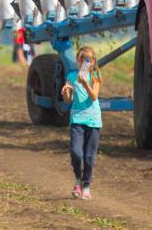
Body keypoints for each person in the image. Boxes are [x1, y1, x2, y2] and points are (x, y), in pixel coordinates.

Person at [60, 45, 102, 200]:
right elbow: (68, 100)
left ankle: (87, 185)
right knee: (76, 152)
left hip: (93, 120)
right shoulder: (72, 76)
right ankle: (78, 179)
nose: (83, 62)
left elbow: (94, 96)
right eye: (81, 59)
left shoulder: (95, 75)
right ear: (77, 61)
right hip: (77, 119)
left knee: (89, 156)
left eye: (87, 60)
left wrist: (85, 84)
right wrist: (66, 92)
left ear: (92, 62)